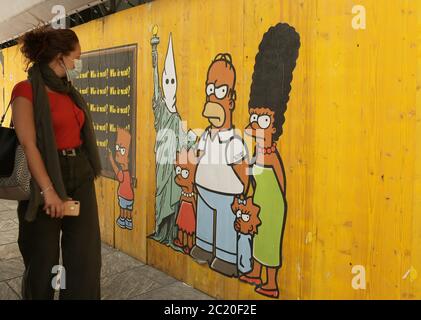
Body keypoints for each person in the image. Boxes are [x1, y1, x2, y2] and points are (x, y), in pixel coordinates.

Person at [10, 26, 102, 300]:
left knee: (84, 257)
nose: (78, 63)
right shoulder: (25, 90)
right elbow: (28, 144)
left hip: (80, 175)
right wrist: (48, 191)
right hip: (44, 179)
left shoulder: (68, 91)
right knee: (43, 259)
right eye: (76, 57)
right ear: (60, 57)